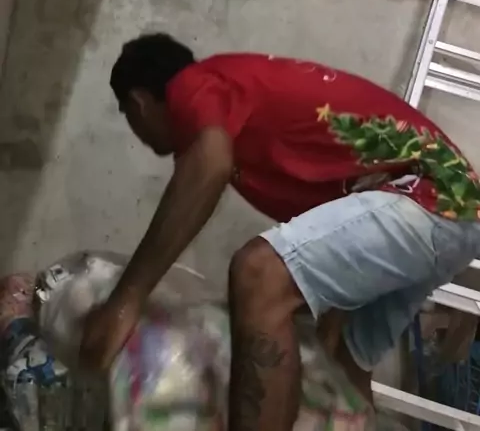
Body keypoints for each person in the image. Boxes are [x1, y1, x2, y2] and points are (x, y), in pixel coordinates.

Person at [80, 33, 480, 431]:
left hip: (431, 194)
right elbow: (342, 242)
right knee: (341, 366)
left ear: (139, 102)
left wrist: (126, 300)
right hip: (455, 207)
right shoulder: (246, 114)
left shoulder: (195, 84)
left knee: (258, 274)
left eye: (128, 115)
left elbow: (208, 165)